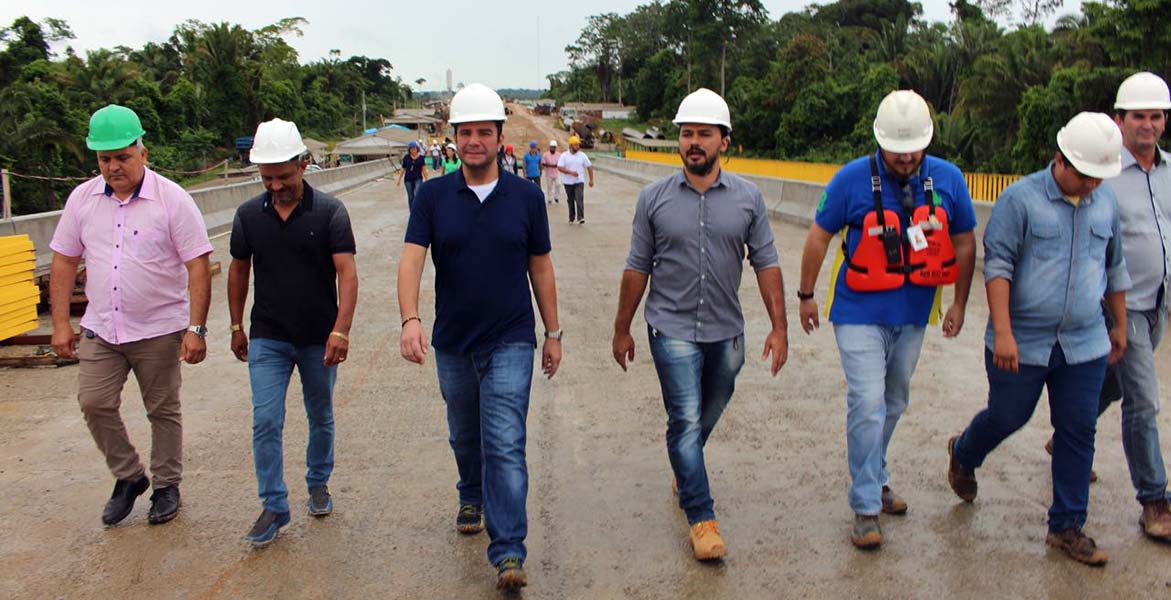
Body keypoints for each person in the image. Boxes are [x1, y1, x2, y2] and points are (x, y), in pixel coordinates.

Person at [612, 88, 788, 561]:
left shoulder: (749, 199)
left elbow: (767, 263)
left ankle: (683, 462)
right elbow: (637, 266)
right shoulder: (654, 199)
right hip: (669, 328)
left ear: (723, 142)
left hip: (727, 331)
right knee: (685, 420)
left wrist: (779, 326)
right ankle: (701, 516)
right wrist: (622, 327)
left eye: (704, 134)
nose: (693, 142)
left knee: (710, 406)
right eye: (686, 133)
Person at [398, 83, 561, 592]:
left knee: (507, 441)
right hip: (452, 341)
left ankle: (508, 549)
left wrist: (552, 331)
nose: (473, 141)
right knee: (465, 434)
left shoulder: (527, 197)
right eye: (464, 132)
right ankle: (470, 490)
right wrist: (410, 318)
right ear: (455, 137)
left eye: (482, 132)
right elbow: (411, 258)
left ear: (498, 137)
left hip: (512, 338)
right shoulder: (432, 195)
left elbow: (541, 266)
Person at [947, 112, 1129, 567]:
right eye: (1084, 176)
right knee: (1008, 416)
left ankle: (1066, 526)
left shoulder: (1105, 204)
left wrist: (1120, 325)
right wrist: (1003, 332)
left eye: (1098, 179)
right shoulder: (1019, 200)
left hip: (1085, 341)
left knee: (1077, 429)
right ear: (1060, 158)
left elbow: (1114, 269)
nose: (1090, 187)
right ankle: (964, 452)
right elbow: (1000, 267)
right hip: (1022, 339)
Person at [797, 90, 977, 549]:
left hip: (914, 312)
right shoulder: (850, 180)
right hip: (858, 310)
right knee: (867, 401)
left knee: (894, 401)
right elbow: (818, 237)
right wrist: (806, 295)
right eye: (897, 150)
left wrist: (958, 303)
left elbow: (964, 244)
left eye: (913, 148)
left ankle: (875, 475)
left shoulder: (950, 180)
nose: (906, 157)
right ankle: (865, 507)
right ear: (880, 142)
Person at [49, 104, 213, 527]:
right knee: (94, 401)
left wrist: (195, 328)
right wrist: (62, 323)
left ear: (143, 151)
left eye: (122, 156)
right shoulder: (82, 200)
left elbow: (198, 263)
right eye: (105, 159)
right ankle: (129, 476)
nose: (113, 167)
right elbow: (64, 260)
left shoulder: (171, 199)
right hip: (102, 328)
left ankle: (166, 485)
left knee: (161, 408)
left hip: (158, 328)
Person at [228, 118, 359, 547]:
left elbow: (347, 274)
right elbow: (238, 271)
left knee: (320, 414)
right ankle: (274, 504)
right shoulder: (248, 215)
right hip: (268, 335)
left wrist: (341, 331)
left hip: (318, 337)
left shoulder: (330, 213)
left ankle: (318, 481)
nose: (276, 185)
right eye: (267, 178)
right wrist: (234, 324)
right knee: (266, 419)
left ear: (303, 165)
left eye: (283, 176)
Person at [1092, 72, 1171, 542]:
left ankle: (1069, 434)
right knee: (1144, 399)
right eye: (1138, 116)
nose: (1148, 125)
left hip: (1159, 301)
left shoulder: (1169, 171)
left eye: (1155, 116)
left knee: (1115, 383)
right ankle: (1155, 501)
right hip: (1122, 304)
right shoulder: (1102, 175)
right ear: (1119, 120)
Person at [557, 136, 594, 224]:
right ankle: (571, 217)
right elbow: (559, 167)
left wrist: (591, 179)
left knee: (579, 198)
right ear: (570, 145)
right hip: (568, 182)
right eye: (576, 145)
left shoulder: (582, 155)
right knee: (570, 200)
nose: (578, 146)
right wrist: (570, 172)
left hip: (579, 181)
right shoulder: (564, 155)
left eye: (578, 145)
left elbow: (589, 167)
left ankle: (581, 217)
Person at [397, 141, 429, 211]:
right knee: (411, 196)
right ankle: (412, 211)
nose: (413, 150)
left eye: (414, 148)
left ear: (417, 149)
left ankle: (418, 209)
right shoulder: (406, 157)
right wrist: (399, 179)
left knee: (417, 193)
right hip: (408, 179)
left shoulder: (421, 158)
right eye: (411, 149)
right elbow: (403, 168)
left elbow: (424, 169)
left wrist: (427, 180)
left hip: (418, 178)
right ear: (409, 150)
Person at [541, 140, 562, 204]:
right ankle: (549, 198)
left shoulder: (559, 155)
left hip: (556, 173)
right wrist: (551, 165)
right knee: (549, 187)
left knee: (558, 184)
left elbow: (560, 163)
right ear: (550, 147)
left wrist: (555, 166)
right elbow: (543, 163)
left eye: (554, 147)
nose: (553, 148)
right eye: (552, 147)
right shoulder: (545, 155)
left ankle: (556, 197)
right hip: (548, 173)